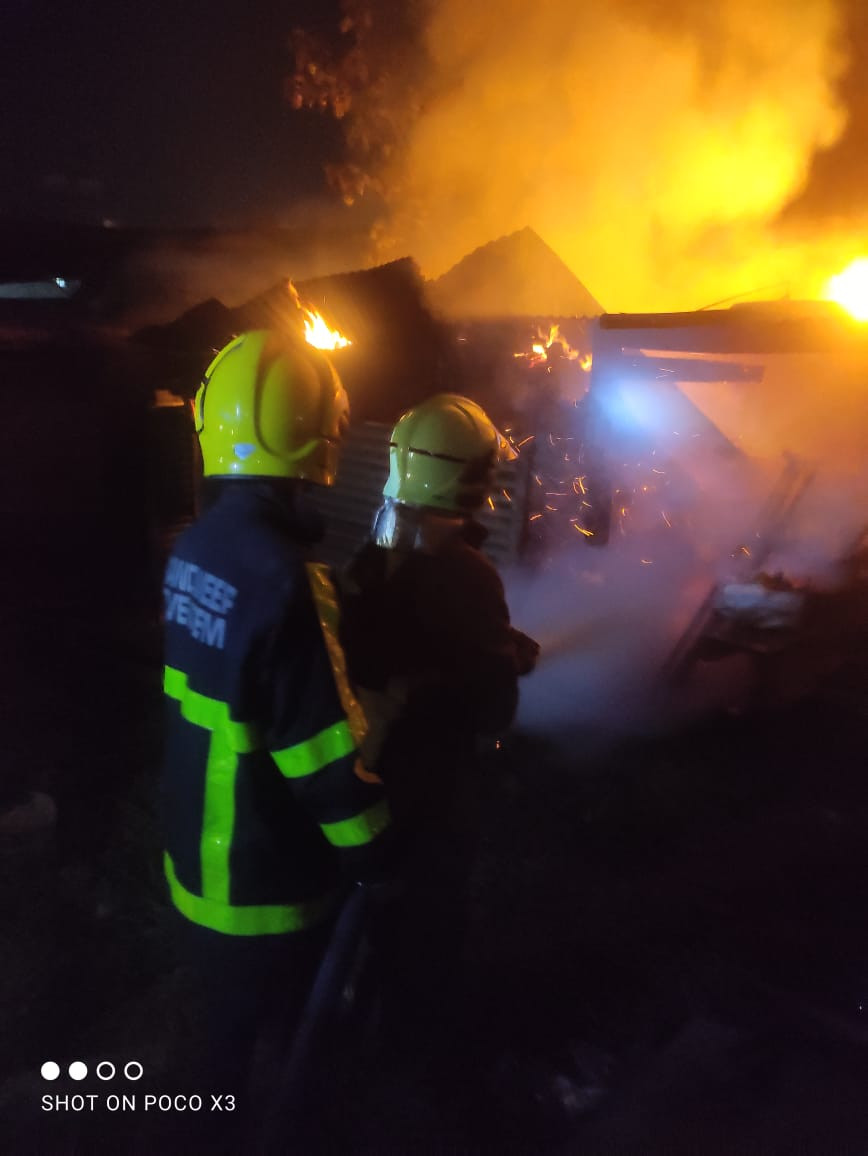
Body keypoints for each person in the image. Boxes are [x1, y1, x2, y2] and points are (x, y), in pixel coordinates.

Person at [160, 329, 392, 1125]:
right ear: (315, 438)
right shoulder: (290, 580)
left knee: (219, 1040)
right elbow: (319, 754)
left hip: (194, 853)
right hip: (265, 879)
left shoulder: (194, 546)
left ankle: (200, 1126)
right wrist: (376, 851)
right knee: (286, 1042)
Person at [338, 392, 539, 1067]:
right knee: (430, 910)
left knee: (373, 903)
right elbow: (492, 705)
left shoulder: (373, 551)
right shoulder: (469, 575)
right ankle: (419, 1044)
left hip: (367, 766)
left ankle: (355, 1006)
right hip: (431, 782)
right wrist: (507, 662)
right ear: (472, 478)